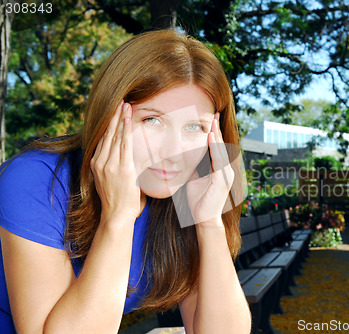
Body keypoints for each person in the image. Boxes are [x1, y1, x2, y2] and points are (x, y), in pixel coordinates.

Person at [0, 29, 251, 333]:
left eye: (195, 127)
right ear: (108, 113)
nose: (174, 154)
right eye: (152, 120)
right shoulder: (37, 178)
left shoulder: (187, 192)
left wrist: (209, 222)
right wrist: (117, 218)